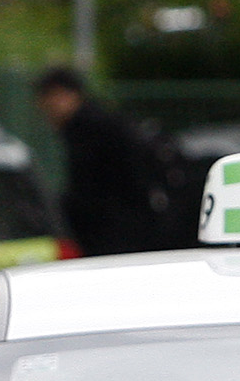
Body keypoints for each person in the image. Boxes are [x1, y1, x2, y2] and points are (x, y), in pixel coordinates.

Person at [32, 66, 179, 256]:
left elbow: (89, 191)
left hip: (116, 236)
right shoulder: (101, 122)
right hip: (132, 229)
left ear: (62, 95)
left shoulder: (88, 130)